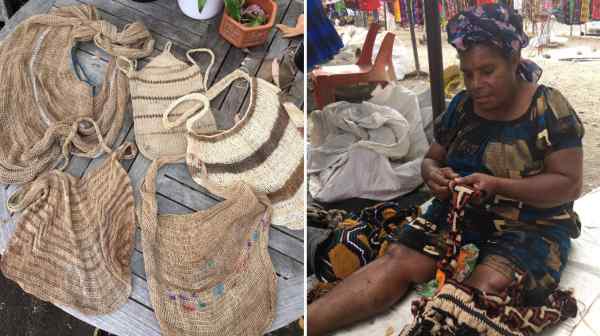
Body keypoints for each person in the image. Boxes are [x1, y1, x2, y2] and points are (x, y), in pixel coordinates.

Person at [307, 3, 584, 335]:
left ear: (514, 60)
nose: (475, 83)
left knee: (480, 294)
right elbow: (432, 157)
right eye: (468, 73)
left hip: (531, 225)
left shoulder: (547, 108)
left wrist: (498, 185)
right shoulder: (464, 106)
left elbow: (568, 184)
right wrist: (432, 175)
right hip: (461, 215)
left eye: (487, 70)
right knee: (398, 262)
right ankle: (304, 325)